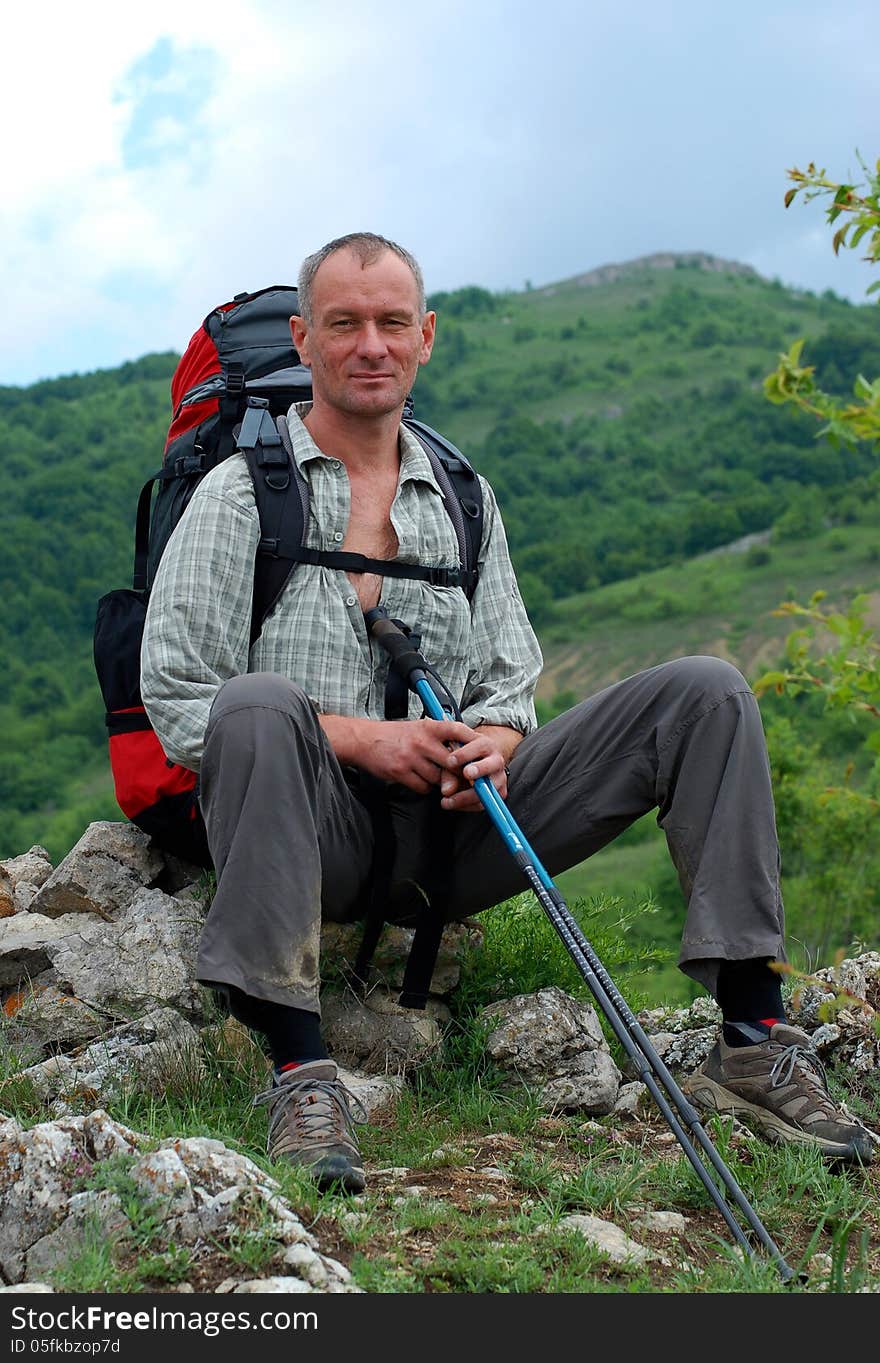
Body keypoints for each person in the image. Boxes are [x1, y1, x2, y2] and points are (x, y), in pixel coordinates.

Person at [140, 232, 874, 1193]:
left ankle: (754, 1039)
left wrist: (499, 735)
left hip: (460, 828)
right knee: (252, 703)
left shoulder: (464, 498)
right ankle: (298, 1073)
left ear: (426, 337)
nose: (372, 345)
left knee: (707, 690)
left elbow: (509, 677)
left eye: (392, 323)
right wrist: (368, 737)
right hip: (314, 840)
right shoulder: (243, 496)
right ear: (303, 338)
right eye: (345, 323)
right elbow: (181, 696)